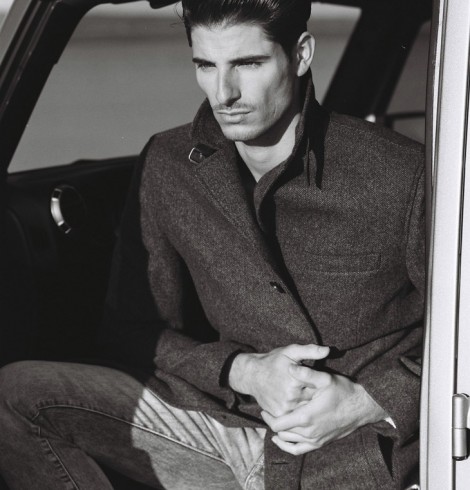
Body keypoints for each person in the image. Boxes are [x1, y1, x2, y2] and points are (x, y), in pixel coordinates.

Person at [0, 0, 424, 488]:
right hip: (223, 428)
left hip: (356, 453)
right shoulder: (169, 164)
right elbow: (136, 331)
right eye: (206, 65)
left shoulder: (399, 173)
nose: (225, 93)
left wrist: (367, 401)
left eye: (248, 63)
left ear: (301, 54)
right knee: (17, 394)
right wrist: (243, 371)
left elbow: (462, 334)